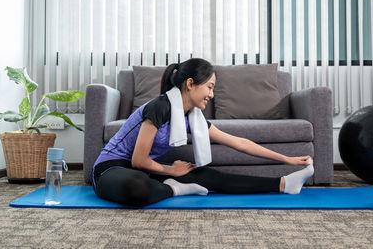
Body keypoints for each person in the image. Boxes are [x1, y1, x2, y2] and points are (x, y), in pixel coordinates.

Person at [92, 58, 314, 207]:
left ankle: (284, 184)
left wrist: (286, 159)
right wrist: (171, 170)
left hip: (146, 171)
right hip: (113, 168)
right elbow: (138, 160)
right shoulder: (159, 107)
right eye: (209, 86)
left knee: (210, 176)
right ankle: (174, 190)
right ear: (190, 83)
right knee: (137, 188)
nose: (212, 94)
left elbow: (239, 143)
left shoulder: (192, 118)